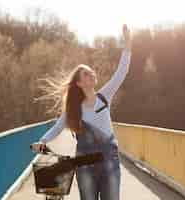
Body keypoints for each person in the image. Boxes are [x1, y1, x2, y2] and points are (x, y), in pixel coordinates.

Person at [31, 24, 132, 200]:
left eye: (90, 72)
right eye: (85, 74)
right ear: (79, 83)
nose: (91, 74)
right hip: (85, 162)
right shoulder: (73, 109)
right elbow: (58, 127)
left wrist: (127, 45)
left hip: (110, 158)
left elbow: (121, 72)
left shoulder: (104, 96)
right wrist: (42, 141)